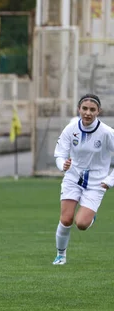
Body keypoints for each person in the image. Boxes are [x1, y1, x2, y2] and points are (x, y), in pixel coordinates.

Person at [52, 93, 114, 265]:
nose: (88, 113)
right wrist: (62, 164)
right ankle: (60, 255)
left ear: (98, 111)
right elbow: (59, 154)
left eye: (92, 109)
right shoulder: (71, 129)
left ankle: (90, 216)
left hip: (97, 183)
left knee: (81, 224)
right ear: (79, 109)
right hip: (73, 178)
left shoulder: (106, 133)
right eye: (84, 108)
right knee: (66, 219)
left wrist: (110, 180)